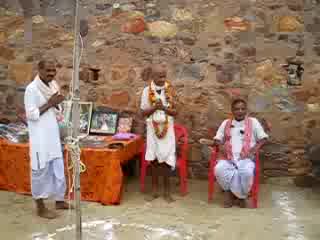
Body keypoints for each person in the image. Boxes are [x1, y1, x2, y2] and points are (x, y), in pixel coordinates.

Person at [24, 58, 72, 219]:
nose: (52, 74)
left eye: (53, 71)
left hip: (53, 134)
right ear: (39, 70)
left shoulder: (53, 85)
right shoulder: (31, 89)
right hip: (39, 137)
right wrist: (51, 103)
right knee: (39, 171)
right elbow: (31, 115)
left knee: (58, 169)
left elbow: (56, 107)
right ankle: (40, 206)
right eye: (48, 71)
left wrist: (58, 102)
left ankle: (59, 200)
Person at [200, 98, 268, 208]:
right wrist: (221, 146)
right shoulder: (226, 123)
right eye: (237, 109)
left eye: (243, 109)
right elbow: (218, 139)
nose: (240, 111)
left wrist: (253, 150)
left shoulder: (253, 122)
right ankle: (230, 193)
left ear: (246, 110)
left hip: (245, 158)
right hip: (228, 157)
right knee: (219, 169)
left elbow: (263, 138)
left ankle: (240, 196)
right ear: (232, 110)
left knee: (246, 172)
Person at [140, 64, 177, 203]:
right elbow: (143, 113)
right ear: (152, 77)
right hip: (152, 131)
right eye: (159, 76)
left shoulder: (171, 90)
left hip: (168, 131)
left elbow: (176, 112)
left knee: (167, 161)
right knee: (154, 160)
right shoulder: (146, 91)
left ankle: (167, 192)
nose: (162, 79)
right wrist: (155, 107)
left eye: (164, 76)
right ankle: (154, 190)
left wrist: (164, 109)